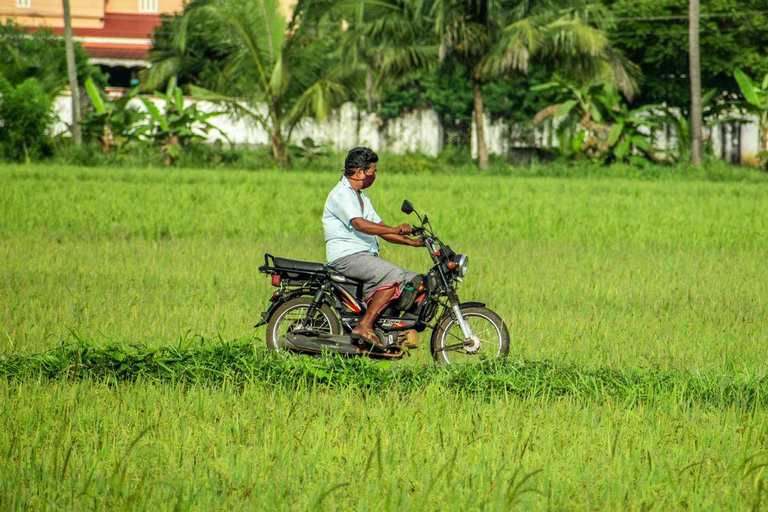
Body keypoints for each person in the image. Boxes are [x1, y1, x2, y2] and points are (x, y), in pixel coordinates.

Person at [323, 147, 422, 349]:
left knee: (412, 279)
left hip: (364, 256)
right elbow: (359, 224)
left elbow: (383, 230)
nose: (374, 176)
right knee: (394, 274)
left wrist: (412, 242)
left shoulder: (362, 198)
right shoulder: (342, 194)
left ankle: (385, 329)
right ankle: (365, 325)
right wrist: (395, 228)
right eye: (373, 172)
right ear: (359, 172)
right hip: (347, 257)